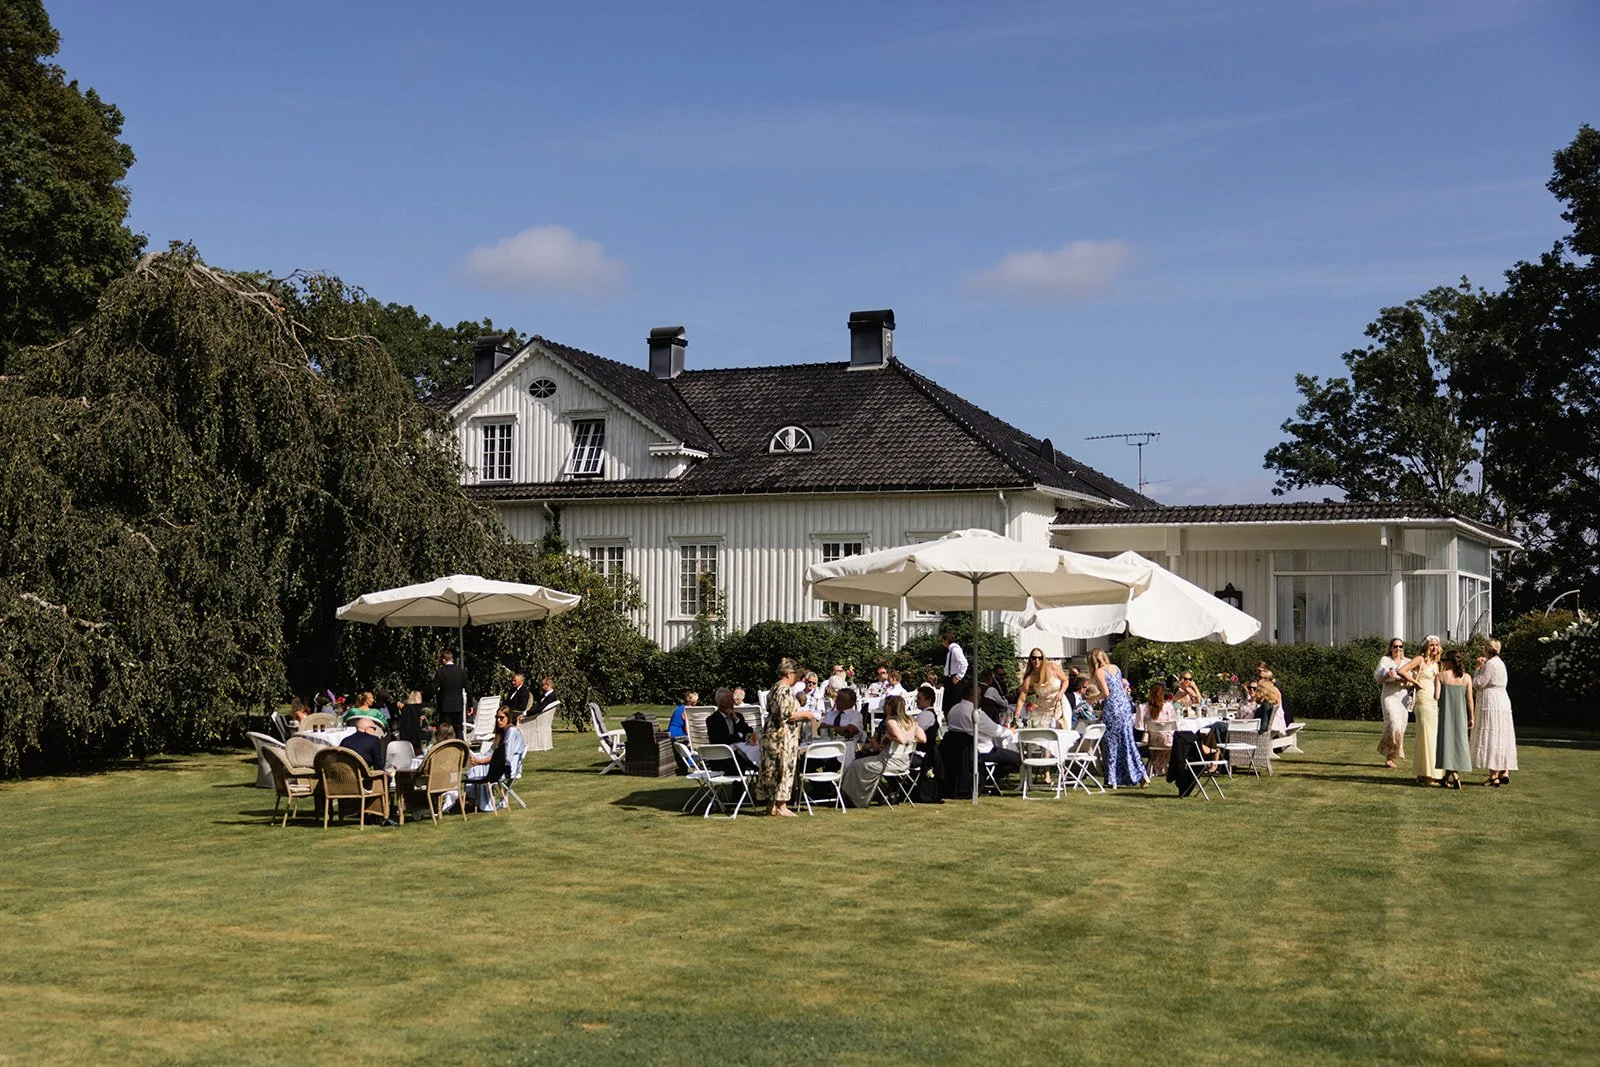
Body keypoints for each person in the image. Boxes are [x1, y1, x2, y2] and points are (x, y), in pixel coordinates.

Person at [841, 695, 925, 808]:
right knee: (860, 763)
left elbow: (901, 739)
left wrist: (888, 736)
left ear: (890, 707)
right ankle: (859, 796)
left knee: (856, 765)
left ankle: (855, 798)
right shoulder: (911, 720)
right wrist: (911, 740)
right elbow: (922, 739)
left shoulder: (891, 722)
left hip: (888, 762)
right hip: (904, 762)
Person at [757, 659, 817, 817]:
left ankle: (772, 805)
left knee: (773, 769)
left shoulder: (775, 688)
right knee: (784, 768)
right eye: (797, 675)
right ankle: (782, 806)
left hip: (773, 733)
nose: (798, 678)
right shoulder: (783, 690)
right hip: (782, 737)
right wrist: (806, 714)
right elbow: (786, 714)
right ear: (790, 674)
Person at [1089, 648, 1146, 788]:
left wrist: (1092, 699)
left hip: (1113, 708)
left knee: (1111, 743)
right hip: (1125, 707)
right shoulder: (1115, 668)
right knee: (1128, 741)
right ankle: (1142, 774)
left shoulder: (1099, 672)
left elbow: (1105, 693)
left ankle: (1112, 778)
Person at [946, 694, 1019, 789]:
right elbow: (996, 731)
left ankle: (986, 775)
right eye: (979, 695)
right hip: (981, 750)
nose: (980, 697)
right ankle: (987, 777)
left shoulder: (954, 709)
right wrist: (1010, 731)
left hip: (959, 751)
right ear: (973, 695)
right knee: (1017, 759)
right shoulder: (976, 713)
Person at [1399, 636, 1443, 785]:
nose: (1434, 648)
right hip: (1423, 699)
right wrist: (1415, 682)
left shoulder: (1438, 663)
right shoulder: (1420, 659)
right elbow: (1402, 670)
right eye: (1431, 645)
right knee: (1425, 735)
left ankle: (1432, 772)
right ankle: (1425, 774)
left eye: (1436, 645)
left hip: (1433, 701)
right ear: (1426, 646)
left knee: (1433, 735)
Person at [1472, 639, 1517, 786]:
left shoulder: (1490, 664)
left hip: (1492, 701)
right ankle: (1505, 770)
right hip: (1502, 700)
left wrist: (1478, 668)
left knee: (1492, 735)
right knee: (1502, 734)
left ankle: (1494, 775)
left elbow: (1479, 683)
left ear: (1487, 649)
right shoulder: (1500, 663)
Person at [467, 706, 526, 811]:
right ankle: (475, 799)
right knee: (477, 764)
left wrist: (480, 761)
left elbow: (504, 757)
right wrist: (476, 759)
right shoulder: (501, 733)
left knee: (481, 767)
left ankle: (479, 801)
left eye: (501, 718)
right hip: (501, 763)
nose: (498, 720)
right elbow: (491, 752)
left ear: (508, 718)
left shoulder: (511, 732)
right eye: (497, 717)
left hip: (509, 767)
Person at [1435, 649, 1475, 789]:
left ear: (1449, 661)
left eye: (1444, 660)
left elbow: (1436, 696)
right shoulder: (1467, 678)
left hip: (1446, 714)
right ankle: (1447, 778)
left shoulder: (1440, 676)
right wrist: (1472, 717)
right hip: (1460, 714)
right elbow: (1469, 699)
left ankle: (1454, 777)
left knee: (1447, 745)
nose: (1442, 662)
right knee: (1457, 745)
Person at [1375, 638, 1410, 768]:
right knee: (1394, 724)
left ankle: (1391, 757)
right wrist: (1388, 676)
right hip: (1389, 696)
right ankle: (1389, 754)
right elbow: (1379, 679)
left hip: (1402, 697)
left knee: (1401, 727)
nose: (1398, 649)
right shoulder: (1385, 661)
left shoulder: (1408, 662)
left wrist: (1401, 680)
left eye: (1400, 647)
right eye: (1395, 647)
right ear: (1390, 648)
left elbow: (1411, 680)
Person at [1016, 649, 1069, 728]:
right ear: (1030, 659)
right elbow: (1022, 698)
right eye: (1034, 658)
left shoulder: (1052, 667)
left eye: (1040, 658)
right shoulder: (1030, 678)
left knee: (1063, 731)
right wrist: (1016, 716)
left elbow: (1065, 681)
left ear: (1043, 658)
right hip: (1042, 711)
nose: (1037, 661)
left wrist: (1061, 692)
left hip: (1059, 706)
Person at [819, 687, 864, 767]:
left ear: (851, 702)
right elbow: (820, 729)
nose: (836, 701)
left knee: (830, 765)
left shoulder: (856, 715)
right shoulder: (831, 714)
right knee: (805, 764)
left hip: (844, 751)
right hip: (825, 747)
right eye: (837, 698)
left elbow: (848, 732)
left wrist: (829, 727)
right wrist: (839, 729)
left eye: (839, 699)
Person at [339, 700, 387, 770]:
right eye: (374, 728)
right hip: (363, 778)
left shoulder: (345, 740)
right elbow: (378, 766)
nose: (375, 731)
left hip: (345, 776)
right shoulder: (373, 740)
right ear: (367, 728)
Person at [430, 650, 468, 739]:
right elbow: (468, 688)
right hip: (458, 706)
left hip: (445, 707)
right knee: (459, 729)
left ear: (444, 660)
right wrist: (469, 705)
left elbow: (433, 689)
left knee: (446, 731)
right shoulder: (461, 672)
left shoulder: (441, 673)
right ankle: (461, 749)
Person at [940, 630, 968, 712]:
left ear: (946, 640)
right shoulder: (950, 651)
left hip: (954, 678)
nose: (942, 643)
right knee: (947, 704)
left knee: (953, 703)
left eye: (943, 641)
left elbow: (964, 663)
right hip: (949, 678)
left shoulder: (955, 650)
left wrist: (958, 676)